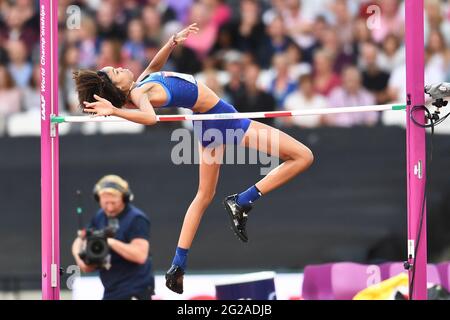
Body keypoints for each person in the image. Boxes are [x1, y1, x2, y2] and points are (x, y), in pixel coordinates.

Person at [74, 23, 314, 294]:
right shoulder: (138, 94)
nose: (120, 67)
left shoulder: (139, 85)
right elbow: (151, 118)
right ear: (117, 90)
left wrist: (172, 42)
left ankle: (178, 265)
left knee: (204, 195)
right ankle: (244, 200)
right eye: (115, 72)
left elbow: (154, 66)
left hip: (207, 123)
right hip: (222, 120)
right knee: (303, 156)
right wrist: (114, 112)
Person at [72, 175, 154, 300]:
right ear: (98, 199)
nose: (109, 208)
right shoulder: (99, 217)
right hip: (111, 291)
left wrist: (110, 242)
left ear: (124, 198)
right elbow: (81, 240)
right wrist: (80, 255)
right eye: (105, 203)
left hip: (135, 291)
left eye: (113, 203)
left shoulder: (137, 219)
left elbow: (140, 255)